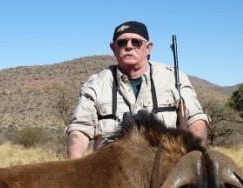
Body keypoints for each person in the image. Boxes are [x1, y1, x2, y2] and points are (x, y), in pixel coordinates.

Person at [66, 21, 209, 159]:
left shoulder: (174, 78)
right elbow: (80, 128)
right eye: (122, 42)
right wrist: (75, 164)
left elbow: (196, 121)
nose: (129, 46)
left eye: (136, 42)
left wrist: (193, 161)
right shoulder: (96, 84)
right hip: (112, 172)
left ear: (148, 47)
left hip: (167, 170)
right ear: (113, 48)